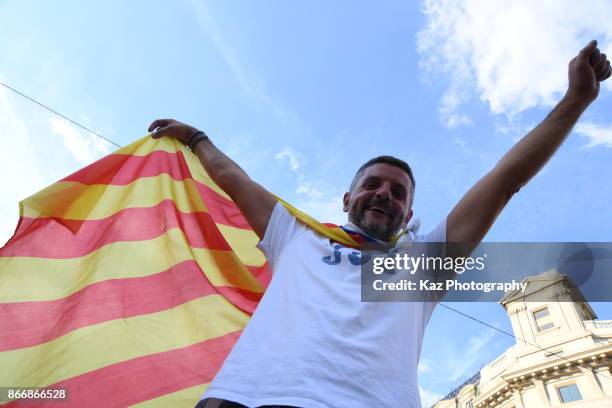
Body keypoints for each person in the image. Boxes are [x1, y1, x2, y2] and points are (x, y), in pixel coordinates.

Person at [148, 41, 610, 408]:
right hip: (246, 399)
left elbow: (505, 181)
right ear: (348, 198)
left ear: (407, 217)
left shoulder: (424, 265)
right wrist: (195, 137)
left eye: (398, 192)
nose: (384, 194)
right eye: (374, 185)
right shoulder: (296, 236)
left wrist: (575, 100)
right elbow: (233, 178)